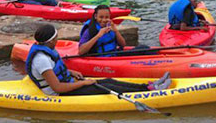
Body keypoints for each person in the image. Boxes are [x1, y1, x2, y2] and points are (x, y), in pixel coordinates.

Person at [26, 24, 171, 96]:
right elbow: (57, 88)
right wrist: (84, 83)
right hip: (59, 93)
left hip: (67, 83)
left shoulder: (47, 49)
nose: (57, 40)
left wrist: (70, 72)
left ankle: (147, 86)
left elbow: (55, 70)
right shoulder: (41, 59)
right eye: (56, 38)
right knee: (106, 87)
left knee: (108, 80)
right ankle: (149, 92)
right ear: (50, 40)